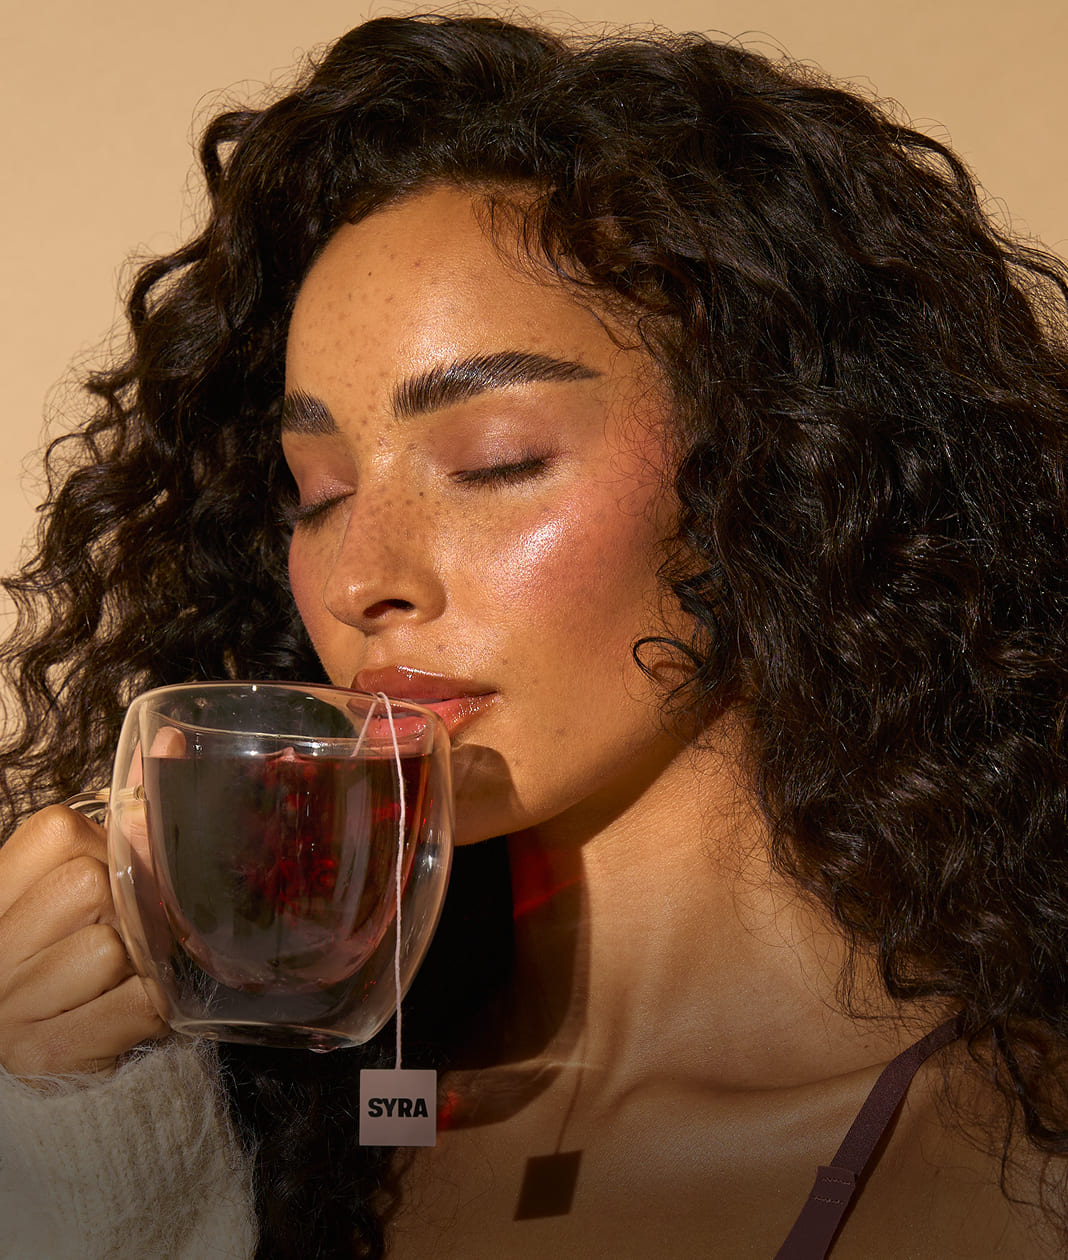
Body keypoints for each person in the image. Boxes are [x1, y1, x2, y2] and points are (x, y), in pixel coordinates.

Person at [2, 12, 1067, 1258]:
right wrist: (76, 1133)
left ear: (781, 467)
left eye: (493, 461)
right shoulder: (286, 1108)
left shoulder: (1010, 1163)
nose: (361, 578)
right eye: (318, 490)